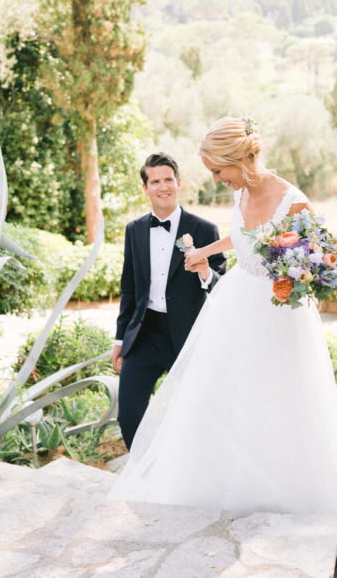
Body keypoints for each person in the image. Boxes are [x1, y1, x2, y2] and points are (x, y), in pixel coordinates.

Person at [109, 117, 337, 534]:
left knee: (277, 398)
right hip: (233, 308)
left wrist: (296, 277)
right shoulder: (241, 192)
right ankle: (228, 482)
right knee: (223, 397)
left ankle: (275, 487)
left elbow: (322, 255)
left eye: (217, 170)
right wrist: (204, 251)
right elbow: (243, 235)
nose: (215, 179)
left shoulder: (291, 200)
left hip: (278, 314)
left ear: (238, 161)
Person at [112, 152, 227, 451]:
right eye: (155, 181)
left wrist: (204, 272)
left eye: (168, 180)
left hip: (189, 335)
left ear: (179, 183)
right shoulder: (134, 230)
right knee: (130, 415)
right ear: (145, 187)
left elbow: (222, 284)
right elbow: (129, 288)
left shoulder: (204, 229)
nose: (163, 187)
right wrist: (120, 339)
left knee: (199, 414)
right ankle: (143, 474)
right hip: (145, 333)